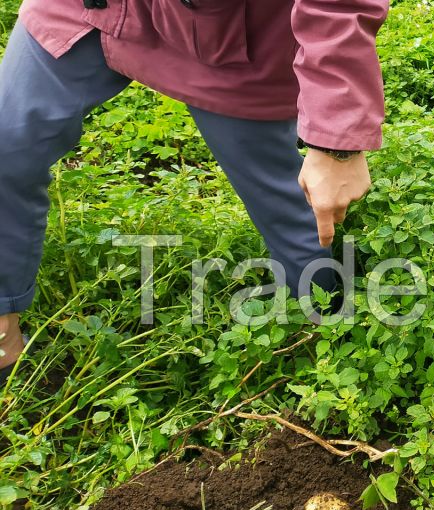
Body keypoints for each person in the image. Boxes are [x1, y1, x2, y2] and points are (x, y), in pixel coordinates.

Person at [0, 0, 390, 384]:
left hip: (228, 34)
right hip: (88, 8)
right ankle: (4, 335)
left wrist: (336, 141)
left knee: (286, 207)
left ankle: (331, 344)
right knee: (6, 144)